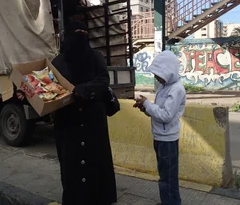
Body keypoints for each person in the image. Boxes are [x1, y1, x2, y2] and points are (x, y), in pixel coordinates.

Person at [52, 19, 117, 205]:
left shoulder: (96, 57)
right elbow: (48, 88)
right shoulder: (58, 62)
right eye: (76, 32)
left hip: (93, 123)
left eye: (84, 32)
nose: (80, 37)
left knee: (96, 169)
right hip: (68, 125)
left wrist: (83, 90)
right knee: (72, 172)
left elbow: (103, 81)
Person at [133, 50, 186, 205]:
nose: (156, 76)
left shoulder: (176, 89)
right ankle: (168, 201)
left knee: (168, 178)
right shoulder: (165, 87)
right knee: (165, 175)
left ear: (169, 71)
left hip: (167, 140)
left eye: (158, 73)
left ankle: (171, 202)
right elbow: (158, 112)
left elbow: (166, 115)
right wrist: (145, 107)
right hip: (160, 137)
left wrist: (148, 104)